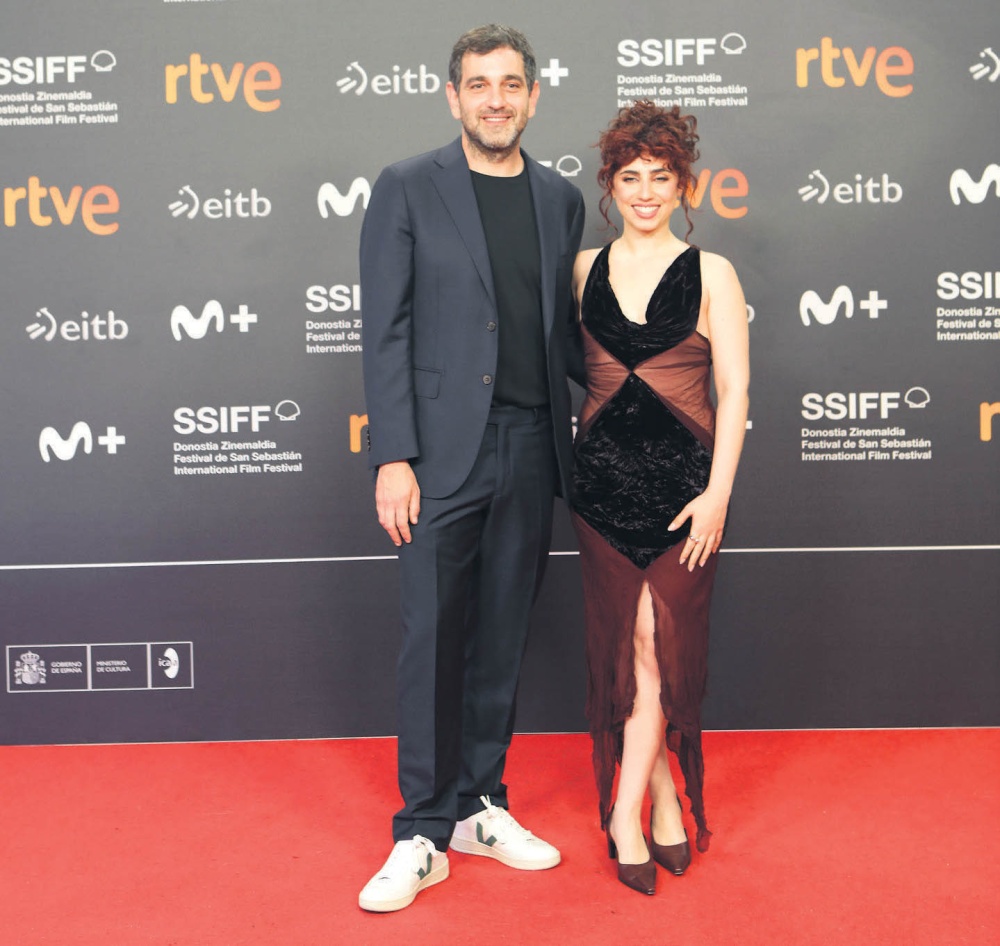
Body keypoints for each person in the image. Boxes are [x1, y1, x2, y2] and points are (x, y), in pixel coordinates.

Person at [357, 24, 586, 912]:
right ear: (453, 96)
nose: (497, 99)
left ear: (533, 95)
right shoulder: (408, 187)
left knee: (501, 635)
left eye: (511, 84)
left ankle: (481, 805)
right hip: (438, 455)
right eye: (480, 84)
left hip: (532, 445)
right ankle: (421, 828)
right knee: (432, 637)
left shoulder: (559, 199)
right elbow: (386, 330)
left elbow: (560, 333)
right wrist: (394, 456)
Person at [570, 101, 750, 895]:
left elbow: (735, 391)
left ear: (684, 186)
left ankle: (624, 812)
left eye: (662, 177)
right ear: (610, 186)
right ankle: (662, 802)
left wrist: (717, 495)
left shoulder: (713, 273)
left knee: (657, 647)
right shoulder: (581, 270)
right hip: (601, 489)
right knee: (629, 648)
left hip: (686, 493)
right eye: (631, 177)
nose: (646, 192)